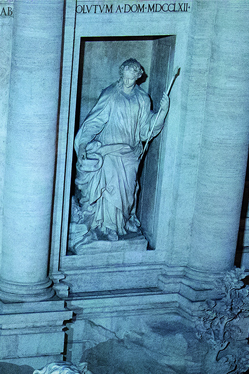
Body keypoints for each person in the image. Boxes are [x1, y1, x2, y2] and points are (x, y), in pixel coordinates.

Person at [69, 58, 172, 249]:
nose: (127, 81)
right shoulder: (110, 95)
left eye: (131, 78)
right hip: (109, 152)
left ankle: (119, 226)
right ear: (121, 74)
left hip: (129, 154)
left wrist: (162, 111)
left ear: (138, 77)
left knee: (126, 194)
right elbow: (95, 121)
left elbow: (145, 131)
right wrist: (83, 143)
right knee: (108, 190)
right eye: (125, 77)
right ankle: (104, 227)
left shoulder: (142, 99)